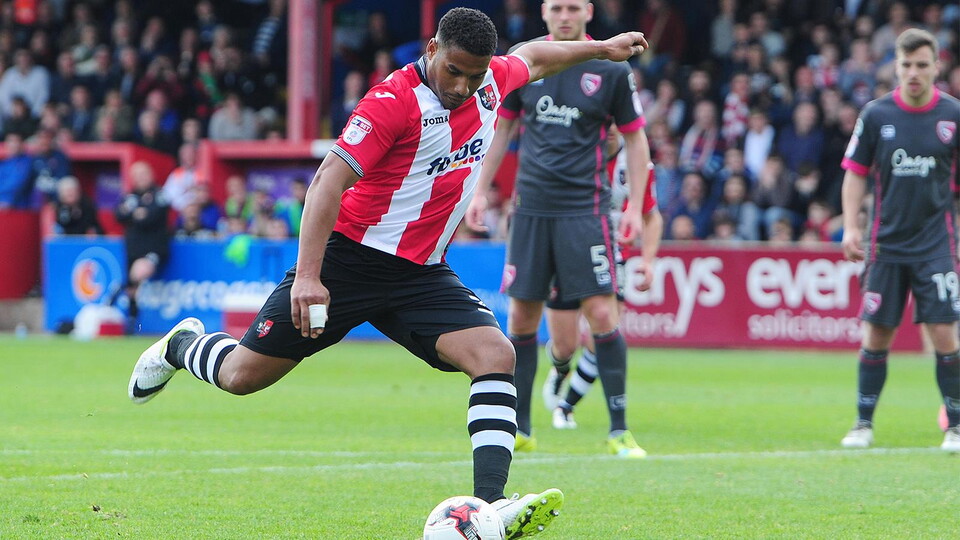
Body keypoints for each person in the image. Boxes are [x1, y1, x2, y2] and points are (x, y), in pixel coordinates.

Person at [127, 8, 649, 537]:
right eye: (453, 71)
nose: (462, 86)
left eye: (474, 76)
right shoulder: (391, 102)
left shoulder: (492, 80)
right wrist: (308, 276)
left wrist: (601, 49)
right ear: (432, 49)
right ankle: (182, 346)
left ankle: (491, 507)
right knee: (242, 377)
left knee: (496, 354)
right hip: (346, 262)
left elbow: (534, 56)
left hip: (420, 274)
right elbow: (326, 183)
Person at [466, 0, 651, 459]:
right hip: (530, 210)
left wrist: (634, 205)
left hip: (585, 210)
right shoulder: (526, 59)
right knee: (521, 318)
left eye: (572, 7)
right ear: (544, 12)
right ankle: (522, 428)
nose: (564, 15)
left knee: (603, 314)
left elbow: (634, 137)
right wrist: (479, 190)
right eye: (556, 8)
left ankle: (619, 430)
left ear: (587, 11)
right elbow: (502, 129)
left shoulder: (611, 68)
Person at [838, 29, 960, 452]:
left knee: (944, 334)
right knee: (877, 335)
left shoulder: (953, 115)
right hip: (886, 245)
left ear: (936, 67)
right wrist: (851, 227)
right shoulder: (876, 115)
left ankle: (956, 426)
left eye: (922, 65)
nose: (913, 73)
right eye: (906, 65)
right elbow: (855, 173)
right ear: (896, 66)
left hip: (937, 244)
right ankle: (862, 424)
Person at [542, 148, 663, 443]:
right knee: (565, 345)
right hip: (567, 249)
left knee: (604, 335)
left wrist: (648, 261)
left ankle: (566, 406)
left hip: (612, 256)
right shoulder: (576, 149)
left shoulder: (636, 162)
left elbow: (651, 215)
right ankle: (560, 369)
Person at [114, 161, 170, 327]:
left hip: (154, 248)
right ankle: (133, 320)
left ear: (151, 174)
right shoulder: (129, 196)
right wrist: (137, 213)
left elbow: (152, 216)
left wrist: (135, 214)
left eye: (143, 174)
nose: (141, 178)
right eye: (137, 175)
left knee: (139, 273)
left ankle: (115, 293)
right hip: (132, 249)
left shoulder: (160, 194)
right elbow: (119, 215)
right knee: (132, 288)